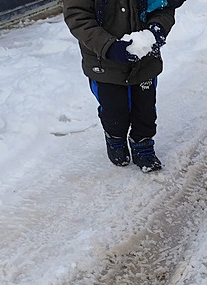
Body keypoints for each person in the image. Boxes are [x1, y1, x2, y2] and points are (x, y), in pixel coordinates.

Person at [63, 0, 182, 172]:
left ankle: (143, 145)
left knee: (145, 109)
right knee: (114, 111)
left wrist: (156, 30)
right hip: (104, 61)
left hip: (145, 59)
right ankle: (115, 137)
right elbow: (78, 16)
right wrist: (108, 46)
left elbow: (163, 6)